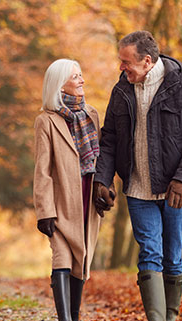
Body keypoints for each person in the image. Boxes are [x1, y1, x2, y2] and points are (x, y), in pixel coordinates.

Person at [92, 31, 182, 321]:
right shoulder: (121, 91)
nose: (121, 68)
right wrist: (103, 179)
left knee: (172, 256)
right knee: (149, 253)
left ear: (147, 61)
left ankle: (170, 315)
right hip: (138, 190)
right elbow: (109, 139)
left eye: (126, 62)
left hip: (176, 190)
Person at [33, 58, 110, 321]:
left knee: (82, 260)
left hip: (88, 197)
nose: (82, 80)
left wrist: (104, 188)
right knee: (62, 258)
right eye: (75, 76)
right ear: (60, 84)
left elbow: (101, 159)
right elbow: (42, 170)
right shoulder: (46, 121)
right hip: (61, 201)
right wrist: (44, 211)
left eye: (81, 75)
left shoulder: (92, 114)